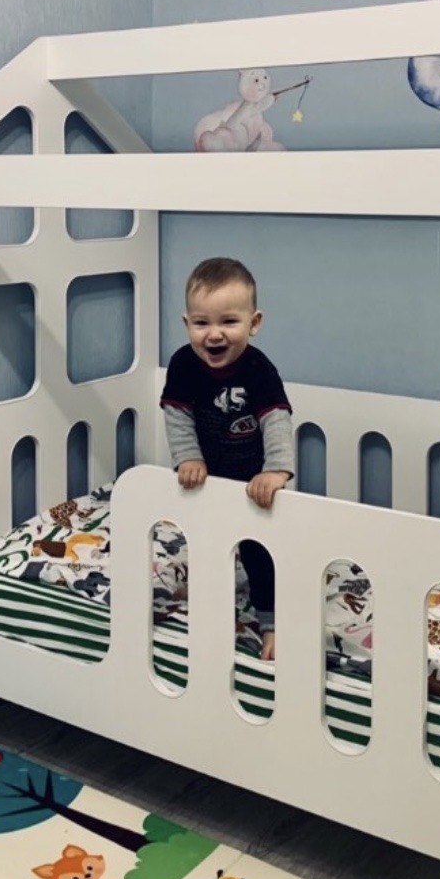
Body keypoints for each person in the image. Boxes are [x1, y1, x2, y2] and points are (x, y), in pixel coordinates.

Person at [159, 257, 294, 661]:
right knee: (206, 543)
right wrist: (188, 458)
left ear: (254, 323)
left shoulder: (258, 369)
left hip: (255, 487)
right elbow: (177, 414)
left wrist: (275, 471)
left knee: (260, 554)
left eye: (229, 322)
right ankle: (210, 601)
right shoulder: (183, 365)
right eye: (201, 323)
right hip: (209, 482)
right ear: (187, 324)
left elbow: (276, 419)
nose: (214, 334)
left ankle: (272, 623)